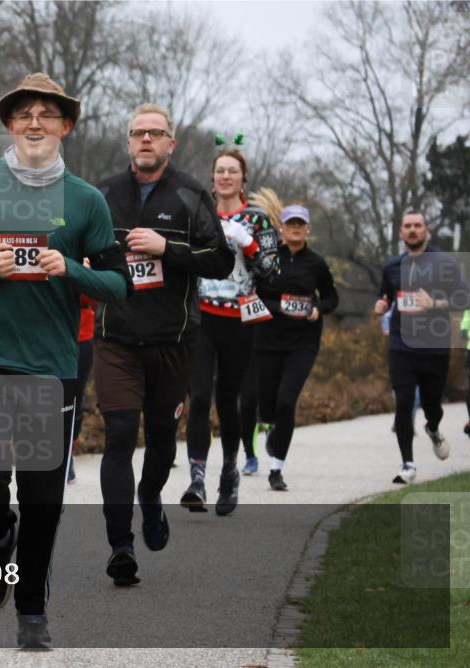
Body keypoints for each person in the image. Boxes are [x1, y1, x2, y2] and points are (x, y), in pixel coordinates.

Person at [0, 73, 129, 648]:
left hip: (49, 362)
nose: (34, 123)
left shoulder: (86, 202)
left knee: (43, 494)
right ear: (9, 124)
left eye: (47, 114)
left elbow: (119, 283)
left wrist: (75, 270)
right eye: (23, 114)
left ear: (66, 126)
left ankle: (32, 608)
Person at [95, 103, 234, 585]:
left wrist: (166, 248)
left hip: (172, 340)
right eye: (138, 133)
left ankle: (150, 498)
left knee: (158, 440)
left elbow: (221, 261)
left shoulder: (192, 194)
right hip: (115, 338)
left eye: (156, 133)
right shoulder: (104, 195)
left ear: (171, 144)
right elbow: (76, 251)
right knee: (118, 433)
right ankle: (120, 546)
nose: (146, 140)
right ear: (128, 141)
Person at [182, 148, 279, 515]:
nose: (225, 176)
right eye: (219, 170)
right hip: (201, 317)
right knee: (200, 395)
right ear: (212, 177)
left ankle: (229, 471)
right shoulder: (197, 214)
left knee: (229, 399)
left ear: (243, 178)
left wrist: (248, 242)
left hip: (239, 320)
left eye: (232, 171)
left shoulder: (257, 218)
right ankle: (196, 479)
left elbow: (274, 272)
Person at [373, 211, 468, 483]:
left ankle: (434, 429)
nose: (412, 230)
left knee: (432, 406)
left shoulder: (444, 264)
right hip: (401, 345)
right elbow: (385, 298)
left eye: (418, 225)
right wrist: (381, 306)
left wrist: (435, 304)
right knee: (403, 402)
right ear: (401, 232)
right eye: (407, 226)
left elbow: (463, 299)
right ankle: (408, 464)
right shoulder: (392, 266)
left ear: (427, 231)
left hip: (434, 347)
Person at [254, 202, 338, 490]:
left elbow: (331, 298)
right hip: (266, 340)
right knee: (267, 406)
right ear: (282, 228)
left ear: (308, 229)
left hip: (302, 342)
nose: (295, 229)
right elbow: (254, 295)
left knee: (287, 401)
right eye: (291, 224)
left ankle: (276, 470)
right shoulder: (267, 259)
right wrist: (279, 307)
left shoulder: (316, 263)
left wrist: (317, 308)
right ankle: (270, 424)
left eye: (300, 224)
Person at [69, 291, 98, 484]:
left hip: (82, 332)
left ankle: (67, 455)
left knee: (75, 397)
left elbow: (95, 297)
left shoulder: (86, 259)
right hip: (47, 331)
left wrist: (83, 274)